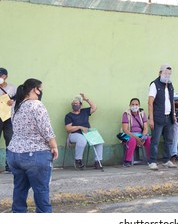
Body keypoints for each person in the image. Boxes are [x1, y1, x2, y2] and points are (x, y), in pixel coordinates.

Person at [7, 78, 58, 212]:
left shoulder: (16, 105)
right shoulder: (36, 104)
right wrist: (54, 146)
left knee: (19, 189)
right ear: (36, 89)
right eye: (41, 89)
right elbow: (46, 129)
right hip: (35, 154)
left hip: (14, 154)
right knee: (41, 190)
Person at [148, 64, 177, 170]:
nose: (167, 75)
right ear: (160, 73)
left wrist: (173, 115)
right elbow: (150, 102)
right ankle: (152, 161)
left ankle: (166, 160)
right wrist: (151, 119)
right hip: (157, 117)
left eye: (169, 74)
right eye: (165, 73)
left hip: (168, 117)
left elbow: (172, 100)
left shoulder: (170, 85)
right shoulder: (154, 84)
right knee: (155, 141)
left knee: (169, 140)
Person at [64, 94, 103, 170]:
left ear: (81, 105)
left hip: (87, 133)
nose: (75, 105)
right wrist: (79, 127)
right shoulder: (69, 115)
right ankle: (78, 161)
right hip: (74, 134)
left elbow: (94, 107)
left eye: (77, 103)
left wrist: (86, 99)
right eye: (73, 104)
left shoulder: (84, 111)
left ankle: (98, 162)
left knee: (99, 142)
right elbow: (68, 129)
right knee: (82, 140)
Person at [120, 98, 151, 167]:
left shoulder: (142, 114)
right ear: (130, 105)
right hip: (128, 134)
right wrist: (137, 138)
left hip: (140, 134)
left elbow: (145, 128)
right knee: (132, 140)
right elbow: (125, 130)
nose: (134, 106)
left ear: (139, 105)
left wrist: (143, 137)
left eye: (136, 104)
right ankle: (127, 161)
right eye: (133, 104)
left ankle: (150, 160)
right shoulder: (126, 114)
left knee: (149, 139)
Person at [0, 67, 16, 173]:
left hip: (8, 118)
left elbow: (18, 99)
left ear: (6, 76)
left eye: (2, 75)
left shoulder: (12, 88)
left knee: (9, 140)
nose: (0, 77)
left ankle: (9, 165)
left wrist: (12, 101)